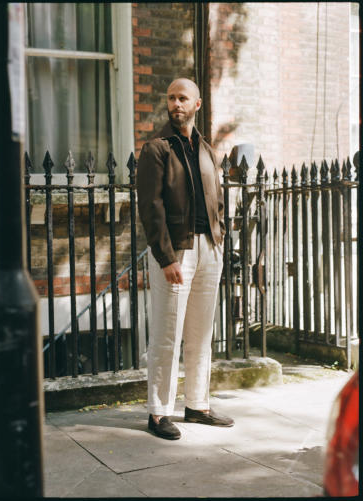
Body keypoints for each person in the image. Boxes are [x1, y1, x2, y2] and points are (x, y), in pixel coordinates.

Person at [136, 78, 235, 440]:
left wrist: (220, 239)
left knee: (200, 333)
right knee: (167, 334)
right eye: (171, 98)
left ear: (197, 104)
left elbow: (218, 201)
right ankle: (158, 412)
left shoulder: (207, 151)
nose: (175, 103)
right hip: (175, 251)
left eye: (183, 98)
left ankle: (197, 405)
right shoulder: (157, 148)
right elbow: (151, 207)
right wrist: (165, 257)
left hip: (209, 249)